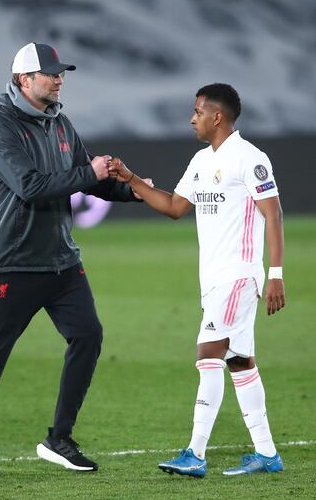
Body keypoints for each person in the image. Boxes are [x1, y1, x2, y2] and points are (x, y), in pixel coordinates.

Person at [0, 42, 140, 478]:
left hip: (61, 261)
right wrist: (90, 173)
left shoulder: (61, 123)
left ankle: (59, 438)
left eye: (61, 73)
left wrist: (135, 188)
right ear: (25, 80)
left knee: (88, 336)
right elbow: (31, 186)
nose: (60, 79)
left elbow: (88, 180)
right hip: (12, 262)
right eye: (51, 74)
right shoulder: (0, 128)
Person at [109, 83, 286, 477]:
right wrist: (131, 178)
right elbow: (174, 206)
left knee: (208, 354)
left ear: (217, 117)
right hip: (215, 281)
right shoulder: (200, 161)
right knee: (239, 361)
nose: (192, 118)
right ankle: (267, 454)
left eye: (197, 111)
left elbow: (272, 214)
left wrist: (275, 274)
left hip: (238, 276)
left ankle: (196, 453)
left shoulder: (250, 158)